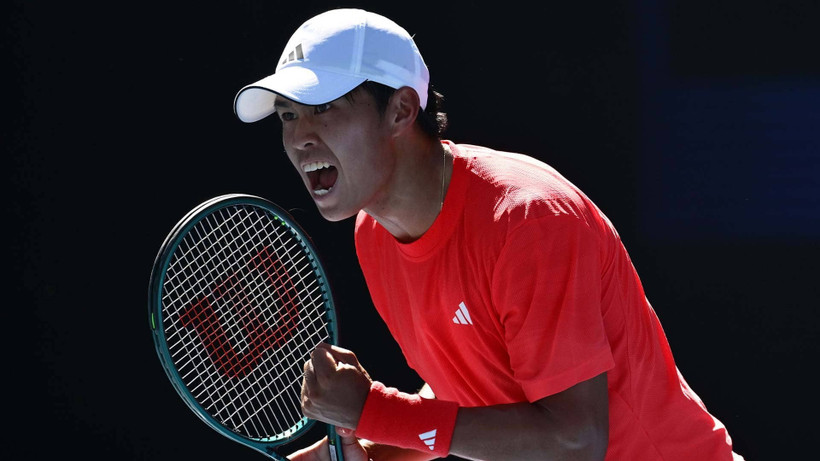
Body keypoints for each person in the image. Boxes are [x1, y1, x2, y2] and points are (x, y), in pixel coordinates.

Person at [233, 8, 743, 461]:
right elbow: (478, 391)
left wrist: (378, 412)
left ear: (401, 110)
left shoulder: (528, 222)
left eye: (322, 108)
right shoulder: (374, 236)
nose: (299, 137)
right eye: (288, 116)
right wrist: (375, 451)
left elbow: (575, 441)